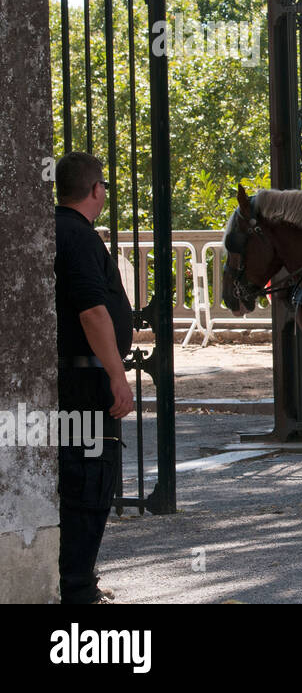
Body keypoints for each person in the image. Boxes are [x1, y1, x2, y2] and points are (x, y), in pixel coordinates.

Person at [54, 152, 134, 604]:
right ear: (96, 190)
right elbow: (92, 312)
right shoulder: (79, 236)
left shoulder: (51, 229)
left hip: (66, 381)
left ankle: (74, 581)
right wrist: (118, 376)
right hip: (85, 384)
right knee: (89, 481)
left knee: (74, 481)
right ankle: (76, 589)